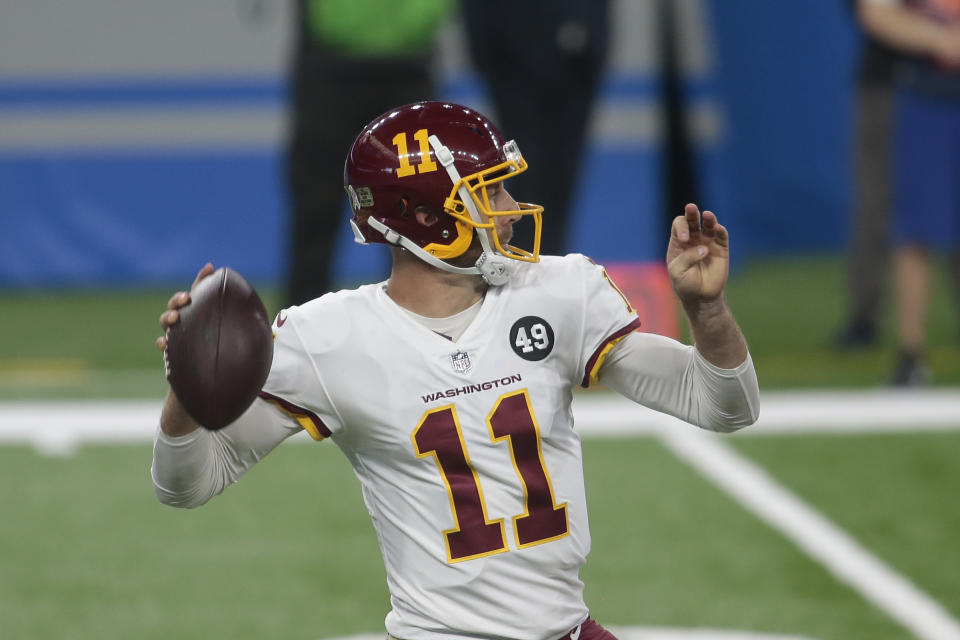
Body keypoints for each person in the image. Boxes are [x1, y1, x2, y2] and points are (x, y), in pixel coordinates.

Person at [152, 102, 760, 639]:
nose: (510, 209)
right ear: (426, 218)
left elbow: (725, 406)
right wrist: (187, 387)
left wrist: (707, 310)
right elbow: (187, 485)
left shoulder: (557, 291)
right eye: (487, 193)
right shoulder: (327, 339)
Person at [284, 0, 450, 307]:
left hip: (409, 63)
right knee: (315, 210)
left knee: (418, 217)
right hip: (331, 64)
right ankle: (298, 336)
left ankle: (424, 333)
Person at [856, 0, 960, 385]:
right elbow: (877, 11)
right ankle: (910, 352)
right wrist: (938, 38)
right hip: (926, 94)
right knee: (916, 227)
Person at [459, 0, 611, 257]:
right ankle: (521, 260)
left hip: (575, 65)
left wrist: (594, 43)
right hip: (512, 61)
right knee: (523, 169)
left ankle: (551, 258)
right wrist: (483, 50)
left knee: (563, 175)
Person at [833, 4, 901, 350]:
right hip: (888, 83)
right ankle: (865, 317)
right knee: (875, 204)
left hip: (945, 88)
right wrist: (945, 40)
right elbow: (877, 14)